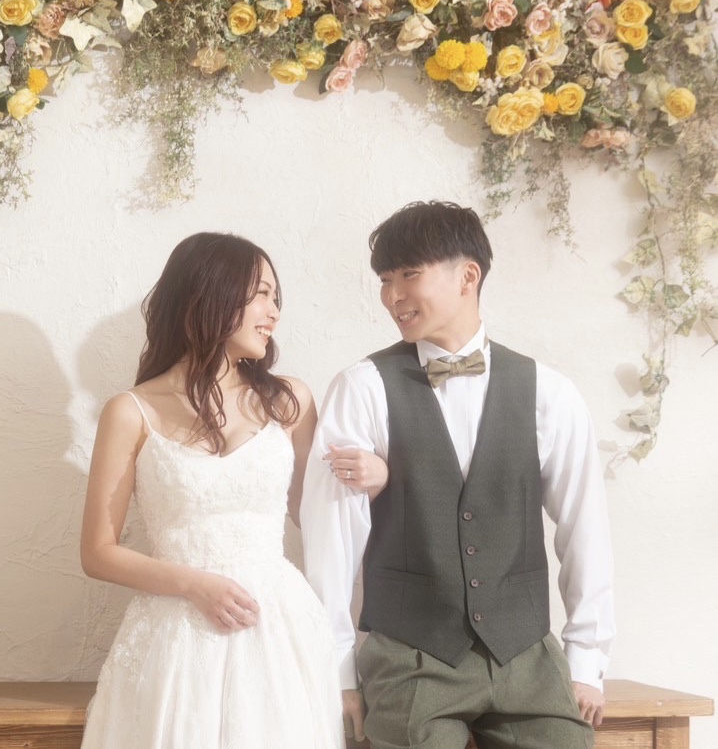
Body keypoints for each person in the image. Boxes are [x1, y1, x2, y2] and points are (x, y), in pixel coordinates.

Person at [301, 201, 615, 749]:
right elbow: (332, 540)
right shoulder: (362, 387)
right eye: (385, 279)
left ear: (468, 276)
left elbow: (584, 528)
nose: (392, 295)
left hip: (526, 656)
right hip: (411, 658)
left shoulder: (550, 393)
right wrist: (338, 672)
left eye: (409, 274)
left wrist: (586, 658)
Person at [80, 232, 344, 749]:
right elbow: (97, 552)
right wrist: (194, 585)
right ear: (212, 296)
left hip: (277, 630)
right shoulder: (130, 411)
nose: (274, 312)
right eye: (262, 294)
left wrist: (376, 476)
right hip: (175, 636)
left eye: (276, 297)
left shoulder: (289, 401)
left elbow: (319, 516)